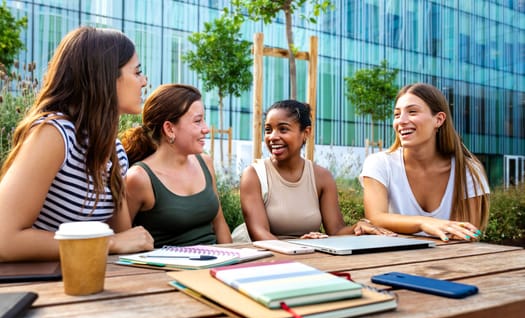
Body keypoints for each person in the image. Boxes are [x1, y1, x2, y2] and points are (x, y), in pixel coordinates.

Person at [0, 26, 154, 262]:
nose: (144, 82)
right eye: (137, 72)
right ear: (105, 76)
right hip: (37, 286)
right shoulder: (55, 135)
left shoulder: (114, 151)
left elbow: (123, 240)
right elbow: (5, 239)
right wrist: (108, 243)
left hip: (87, 281)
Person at [239, 99, 393, 241]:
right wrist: (301, 248)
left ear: (306, 133)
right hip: (261, 258)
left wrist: (359, 227)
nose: (272, 137)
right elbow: (259, 234)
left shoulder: (321, 177)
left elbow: (336, 231)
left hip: (305, 257)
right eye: (268, 130)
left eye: (283, 129)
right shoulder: (254, 175)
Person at [360, 83, 490, 242]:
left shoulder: (468, 169)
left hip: (451, 259)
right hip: (392, 260)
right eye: (397, 114)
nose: (401, 121)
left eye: (412, 112)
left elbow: (465, 234)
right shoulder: (379, 163)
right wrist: (425, 223)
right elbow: (375, 218)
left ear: (439, 119)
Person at [121, 83, 232, 247]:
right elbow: (122, 238)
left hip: (214, 266)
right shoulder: (139, 178)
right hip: (168, 271)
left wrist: (232, 264)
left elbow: (219, 223)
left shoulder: (205, 162)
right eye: (198, 121)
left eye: (204, 120)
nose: (206, 129)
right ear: (169, 129)